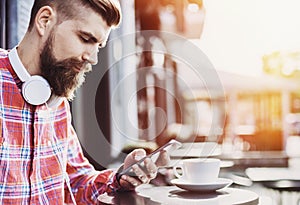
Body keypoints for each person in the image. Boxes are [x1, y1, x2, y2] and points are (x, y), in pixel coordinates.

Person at [0, 0, 169, 204]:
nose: (93, 58)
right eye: (85, 39)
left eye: (98, 45)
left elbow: (76, 183)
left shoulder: (57, 101)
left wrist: (121, 178)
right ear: (44, 20)